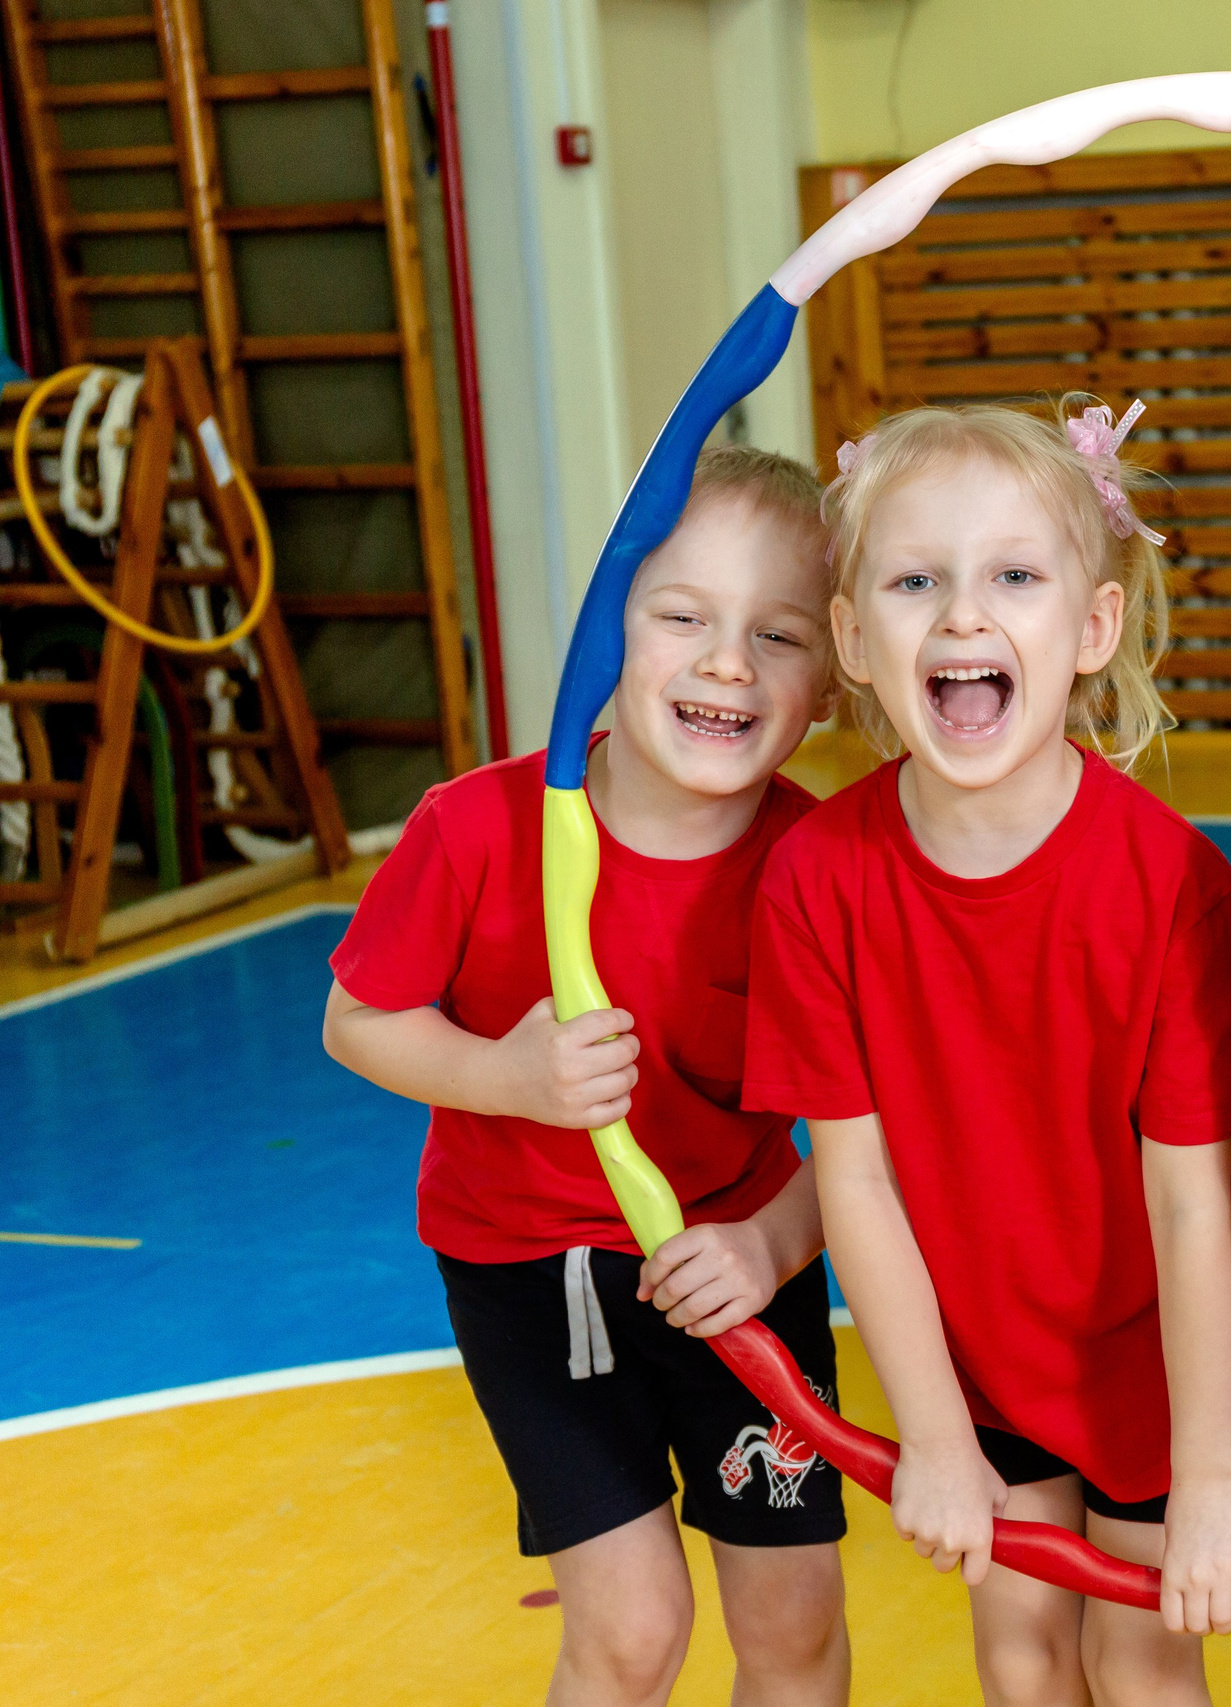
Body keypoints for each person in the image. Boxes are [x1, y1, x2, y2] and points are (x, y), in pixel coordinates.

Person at [742, 399, 1231, 1707]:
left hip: (1159, 1356)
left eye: (1014, 577)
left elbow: (1191, 1197)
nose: (963, 615)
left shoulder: (1166, 884)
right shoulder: (816, 877)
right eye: (917, 579)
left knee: (1146, 1658)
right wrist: (931, 1433)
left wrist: (1208, 1475)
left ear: (1090, 628)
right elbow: (855, 1183)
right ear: (857, 641)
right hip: (976, 1352)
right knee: (1023, 1651)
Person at [321, 446, 850, 1707]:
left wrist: (772, 1245)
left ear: (830, 680)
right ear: (609, 627)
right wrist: (504, 1075)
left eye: (777, 636)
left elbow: (873, 1134)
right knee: (632, 1629)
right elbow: (357, 1019)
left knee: (795, 1628)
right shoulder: (473, 827)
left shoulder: (823, 868)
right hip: (530, 1269)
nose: (728, 663)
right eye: (683, 617)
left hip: (738, 1261)